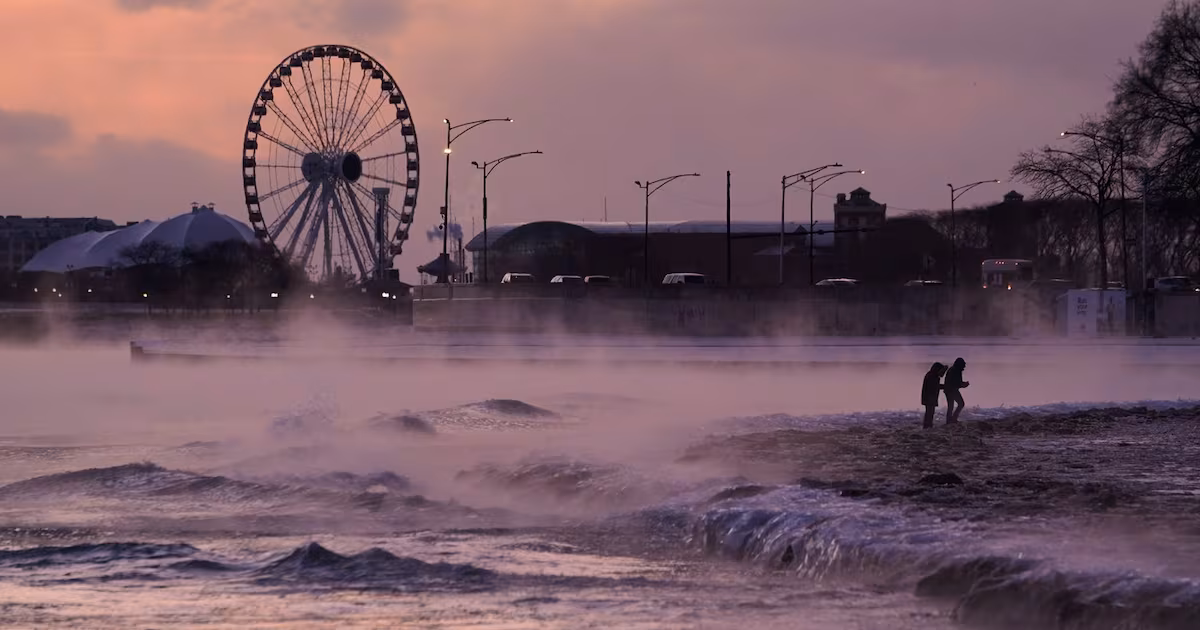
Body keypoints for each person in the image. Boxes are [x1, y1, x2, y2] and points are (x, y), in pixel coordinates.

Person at [921, 362, 947, 429]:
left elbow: (935, 386)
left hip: (929, 397)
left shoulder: (932, 375)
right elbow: (935, 387)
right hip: (929, 398)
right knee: (930, 412)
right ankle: (927, 426)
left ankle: (927, 425)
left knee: (929, 412)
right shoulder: (932, 376)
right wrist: (946, 386)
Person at [944, 357, 970, 424]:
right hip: (951, 390)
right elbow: (956, 383)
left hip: (950, 390)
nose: (964, 367)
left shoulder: (954, 370)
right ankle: (952, 419)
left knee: (952, 406)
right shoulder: (955, 370)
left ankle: (951, 419)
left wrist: (962, 384)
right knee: (958, 404)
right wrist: (963, 385)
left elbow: (957, 382)